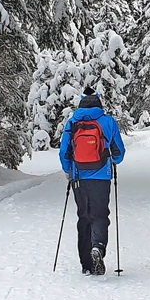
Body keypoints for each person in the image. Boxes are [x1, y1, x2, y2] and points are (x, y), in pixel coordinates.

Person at [60, 87, 126, 275]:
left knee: (84, 217)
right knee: (99, 215)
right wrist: (110, 159)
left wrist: (68, 170)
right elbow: (119, 154)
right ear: (99, 102)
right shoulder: (107, 121)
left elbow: (64, 151)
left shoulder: (72, 122)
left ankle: (86, 264)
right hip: (101, 177)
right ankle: (98, 247)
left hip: (78, 177)